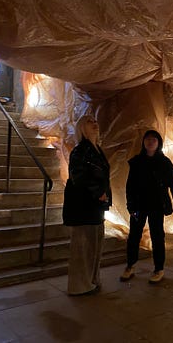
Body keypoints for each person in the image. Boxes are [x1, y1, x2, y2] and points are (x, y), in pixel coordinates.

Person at [120, 130, 173, 284]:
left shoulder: (165, 163)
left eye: (154, 139)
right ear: (143, 142)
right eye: (147, 139)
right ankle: (130, 266)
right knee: (134, 235)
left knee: (157, 237)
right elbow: (130, 186)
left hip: (156, 205)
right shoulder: (136, 162)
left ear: (158, 143)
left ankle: (159, 268)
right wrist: (130, 205)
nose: (150, 142)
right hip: (138, 205)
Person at [62, 115, 111, 295]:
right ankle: (79, 286)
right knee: (82, 246)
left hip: (95, 206)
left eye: (96, 121)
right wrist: (98, 192)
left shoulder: (97, 149)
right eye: (90, 122)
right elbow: (78, 176)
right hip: (84, 205)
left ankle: (92, 280)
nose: (95, 124)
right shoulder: (80, 150)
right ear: (82, 127)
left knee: (94, 245)